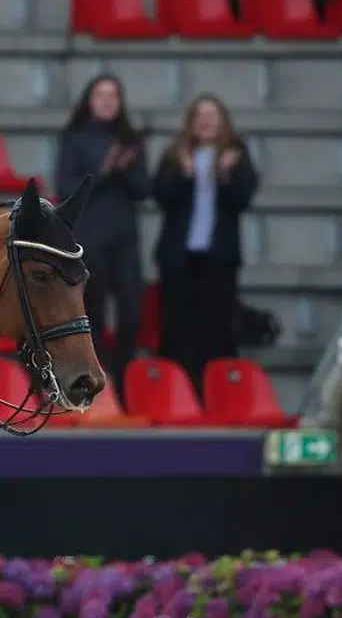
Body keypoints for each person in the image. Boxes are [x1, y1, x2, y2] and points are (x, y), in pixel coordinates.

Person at [152, 93, 259, 389]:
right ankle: (178, 392)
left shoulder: (237, 155)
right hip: (179, 258)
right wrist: (185, 173)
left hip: (219, 257)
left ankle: (217, 393)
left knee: (217, 329)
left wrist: (225, 172)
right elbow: (160, 196)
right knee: (177, 329)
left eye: (212, 115)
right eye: (200, 115)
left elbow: (243, 199)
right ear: (191, 122)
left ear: (223, 121)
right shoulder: (175, 154)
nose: (206, 120)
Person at [54, 74, 149, 386]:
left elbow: (143, 190)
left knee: (130, 314)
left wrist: (126, 167)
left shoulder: (130, 141)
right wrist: (105, 171)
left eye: (113, 96)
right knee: (91, 314)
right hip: (90, 239)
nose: (107, 101)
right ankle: (95, 382)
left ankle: (123, 379)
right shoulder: (76, 139)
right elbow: (66, 188)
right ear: (90, 101)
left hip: (125, 240)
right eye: (101, 95)